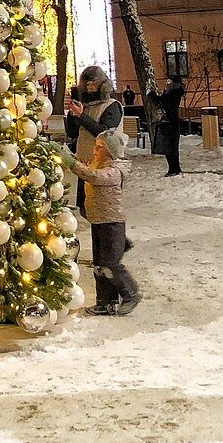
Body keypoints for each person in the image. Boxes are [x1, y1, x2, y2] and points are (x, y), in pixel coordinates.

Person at [62, 129, 141, 316]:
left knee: (110, 263)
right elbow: (86, 168)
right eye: (95, 146)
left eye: (100, 147)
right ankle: (106, 302)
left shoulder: (113, 172)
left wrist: (71, 163)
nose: (95, 150)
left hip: (111, 223)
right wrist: (68, 157)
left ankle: (130, 293)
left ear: (110, 151)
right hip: (98, 221)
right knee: (100, 265)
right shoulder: (98, 165)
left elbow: (92, 176)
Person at [66, 65, 124, 219]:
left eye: (93, 84)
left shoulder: (112, 105)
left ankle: (112, 235)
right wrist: (73, 116)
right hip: (85, 162)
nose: (90, 88)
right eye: (87, 84)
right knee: (85, 208)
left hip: (105, 165)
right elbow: (72, 133)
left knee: (104, 208)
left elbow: (105, 134)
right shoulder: (85, 106)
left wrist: (82, 116)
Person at [148, 74, 184, 177]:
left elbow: (161, 102)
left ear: (174, 83)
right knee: (170, 147)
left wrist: (152, 95)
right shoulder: (172, 92)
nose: (167, 83)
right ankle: (174, 168)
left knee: (170, 147)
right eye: (167, 81)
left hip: (170, 122)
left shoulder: (173, 93)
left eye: (169, 82)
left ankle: (174, 169)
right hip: (169, 122)